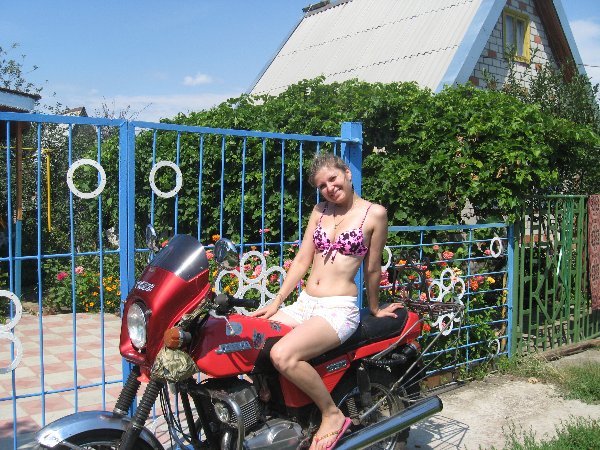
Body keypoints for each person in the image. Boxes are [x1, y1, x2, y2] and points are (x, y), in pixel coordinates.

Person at [250, 153, 404, 450]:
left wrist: (374, 308)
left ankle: (331, 414)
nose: (329, 188)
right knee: (251, 337)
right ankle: (269, 404)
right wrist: (277, 300)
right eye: (322, 185)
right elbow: (302, 259)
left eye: (333, 179)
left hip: (338, 309)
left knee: (283, 355)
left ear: (347, 173)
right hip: (305, 304)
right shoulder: (319, 210)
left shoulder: (375, 214)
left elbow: (372, 268)